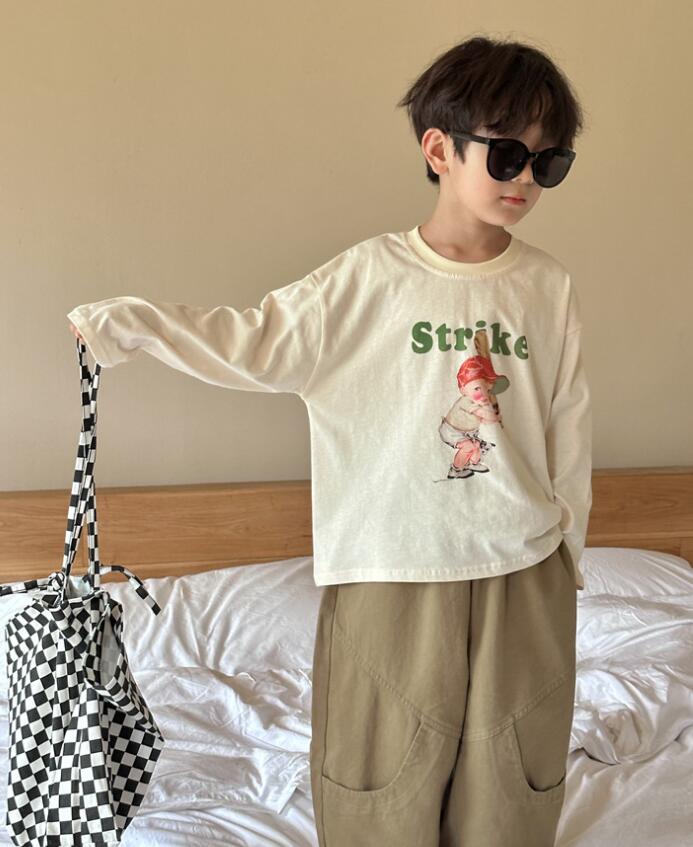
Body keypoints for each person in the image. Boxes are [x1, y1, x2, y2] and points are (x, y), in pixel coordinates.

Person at [67, 34, 592, 847]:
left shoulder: (547, 287)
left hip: (523, 567)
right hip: (391, 563)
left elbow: (567, 424)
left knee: (511, 786)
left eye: (548, 162)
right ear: (438, 149)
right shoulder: (368, 278)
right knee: (381, 780)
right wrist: (130, 325)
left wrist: (567, 556)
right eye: (507, 154)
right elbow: (252, 340)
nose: (525, 178)